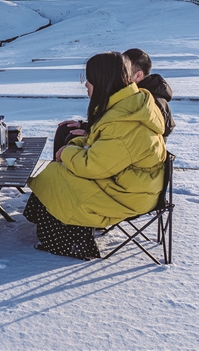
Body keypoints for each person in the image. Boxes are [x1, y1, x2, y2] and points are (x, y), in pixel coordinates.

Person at [25, 52, 167, 260]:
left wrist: (66, 152)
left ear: (103, 80)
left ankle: (70, 242)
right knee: (58, 172)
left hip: (128, 195)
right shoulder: (127, 106)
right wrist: (74, 146)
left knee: (57, 176)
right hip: (130, 185)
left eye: (88, 79)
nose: (86, 85)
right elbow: (98, 142)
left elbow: (93, 166)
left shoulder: (124, 121)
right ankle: (62, 232)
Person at [51, 48, 175, 157]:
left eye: (124, 70)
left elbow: (133, 139)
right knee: (66, 130)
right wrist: (84, 126)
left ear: (138, 75)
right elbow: (116, 122)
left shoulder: (149, 101)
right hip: (118, 145)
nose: (118, 73)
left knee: (70, 140)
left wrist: (91, 135)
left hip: (127, 155)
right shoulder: (128, 95)